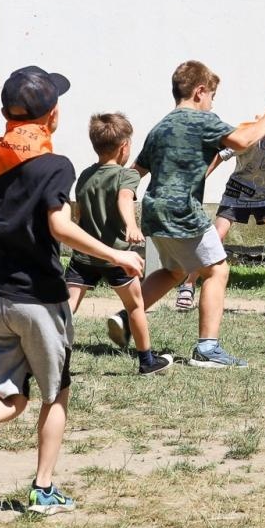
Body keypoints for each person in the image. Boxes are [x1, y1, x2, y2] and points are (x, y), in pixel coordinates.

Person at [0, 66, 143, 514]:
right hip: (40, 299)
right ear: (51, 116)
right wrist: (116, 254)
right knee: (56, 393)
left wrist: (5, 229)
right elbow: (59, 226)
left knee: (11, 395)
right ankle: (43, 490)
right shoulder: (55, 166)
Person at [108, 60, 265, 369]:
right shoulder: (201, 120)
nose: (212, 103)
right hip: (182, 210)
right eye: (212, 96)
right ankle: (207, 349)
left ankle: (127, 317)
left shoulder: (160, 126)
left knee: (173, 271)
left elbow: (135, 172)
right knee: (217, 270)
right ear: (200, 91)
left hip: (154, 210)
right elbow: (241, 142)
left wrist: (123, 202)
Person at [67, 112, 172, 375]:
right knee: (135, 306)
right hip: (117, 257)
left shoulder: (85, 175)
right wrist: (132, 226)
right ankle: (147, 361)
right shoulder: (127, 176)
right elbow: (125, 199)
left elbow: (77, 212)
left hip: (84, 255)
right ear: (124, 147)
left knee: (66, 310)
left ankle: (49, 358)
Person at [202, 85, 265, 310]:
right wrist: (202, 177)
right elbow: (221, 154)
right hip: (238, 192)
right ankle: (188, 285)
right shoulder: (252, 134)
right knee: (215, 237)